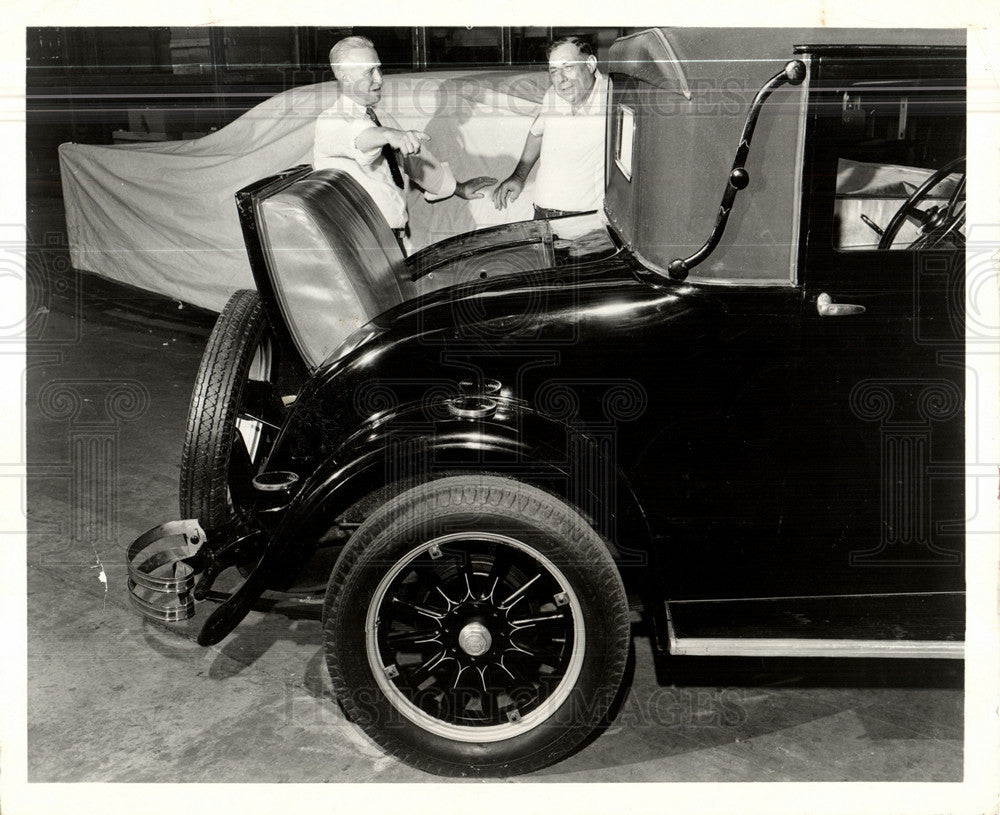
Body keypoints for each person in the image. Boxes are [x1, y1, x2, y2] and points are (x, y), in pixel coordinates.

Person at [314, 36, 495, 247]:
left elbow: (415, 162)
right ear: (344, 77)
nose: (379, 79)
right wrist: (390, 135)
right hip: (357, 242)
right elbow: (362, 139)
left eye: (379, 69)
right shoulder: (331, 120)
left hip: (391, 238)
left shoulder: (381, 118)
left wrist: (458, 188)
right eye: (369, 72)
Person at [492, 37, 609, 220]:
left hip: (586, 221)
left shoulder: (613, 98)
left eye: (568, 67)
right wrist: (518, 176)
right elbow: (537, 132)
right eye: (554, 71)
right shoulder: (553, 96)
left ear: (590, 64)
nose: (560, 79)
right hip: (542, 214)